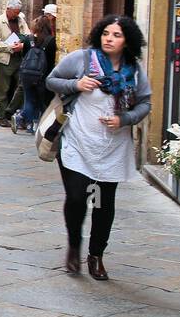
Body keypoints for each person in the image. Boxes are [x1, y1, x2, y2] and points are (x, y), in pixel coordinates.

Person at [46, 14, 151, 281]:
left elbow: (144, 104)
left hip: (112, 148)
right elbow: (52, 80)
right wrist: (76, 84)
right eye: (106, 33)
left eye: (116, 35)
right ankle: (73, 247)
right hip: (77, 142)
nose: (109, 39)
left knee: (103, 203)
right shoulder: (82, 60)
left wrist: (124, 119)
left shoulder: (134, 70)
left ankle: (96, 255)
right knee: (78, 198)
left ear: (127, 41)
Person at [0, 0, 31, 127]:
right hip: (4, 60)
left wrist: (23, 45)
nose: (17, 14)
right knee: (3, 89)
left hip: (19, 58)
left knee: (20, 88)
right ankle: (2, 117)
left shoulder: (21, 20)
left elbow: (28, 35)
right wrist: (9, 47)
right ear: (8, 9)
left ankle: (14, 115)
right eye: (15, 12)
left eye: (19, 11)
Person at [16, 12, 57, 134]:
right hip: (44, 76)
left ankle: (25, 122)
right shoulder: (51, 41)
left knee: (29, 99)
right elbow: (51, 61)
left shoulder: (29, 40)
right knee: (43, 102)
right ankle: (38, 125)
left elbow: (24, 56)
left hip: (27, 74)